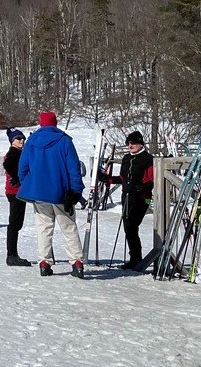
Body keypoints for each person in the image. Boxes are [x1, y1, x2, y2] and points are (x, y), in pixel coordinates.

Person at [17, 112, 87, 277]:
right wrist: (76, 190)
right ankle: (77, 262)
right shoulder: (64, 141)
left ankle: (44, 262)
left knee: (43, 228)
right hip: (62, 193)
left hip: (40, 193)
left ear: (41, 124)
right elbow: (74, 169)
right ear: (55, 123)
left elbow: (23, 168)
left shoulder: (32, 142)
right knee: (69, 227)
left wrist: (30, 184)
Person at [99, 130, 154, 270]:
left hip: (142, 198)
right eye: (129, 143)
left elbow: (151, 181)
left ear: (140, 144)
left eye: (134, 143)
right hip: (127, 197)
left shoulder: (147, 159)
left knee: (132, 226)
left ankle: (136, 259)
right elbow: (123, 179)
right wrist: (107, 179)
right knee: (128, 228)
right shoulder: (126, 158)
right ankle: (135, 259)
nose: (131, 145)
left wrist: (136, 188)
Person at [3, 128, 31, 267]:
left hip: (16, 191)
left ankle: (12, 254)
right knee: (15, 224)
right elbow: (7, 164)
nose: (22, 141)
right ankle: (12, 255)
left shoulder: (19, 152)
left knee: (16, 223)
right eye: (18, 139)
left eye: (23, 138)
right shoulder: (14, 152)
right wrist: (17, 177)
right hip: (16, 192)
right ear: (12, 141)